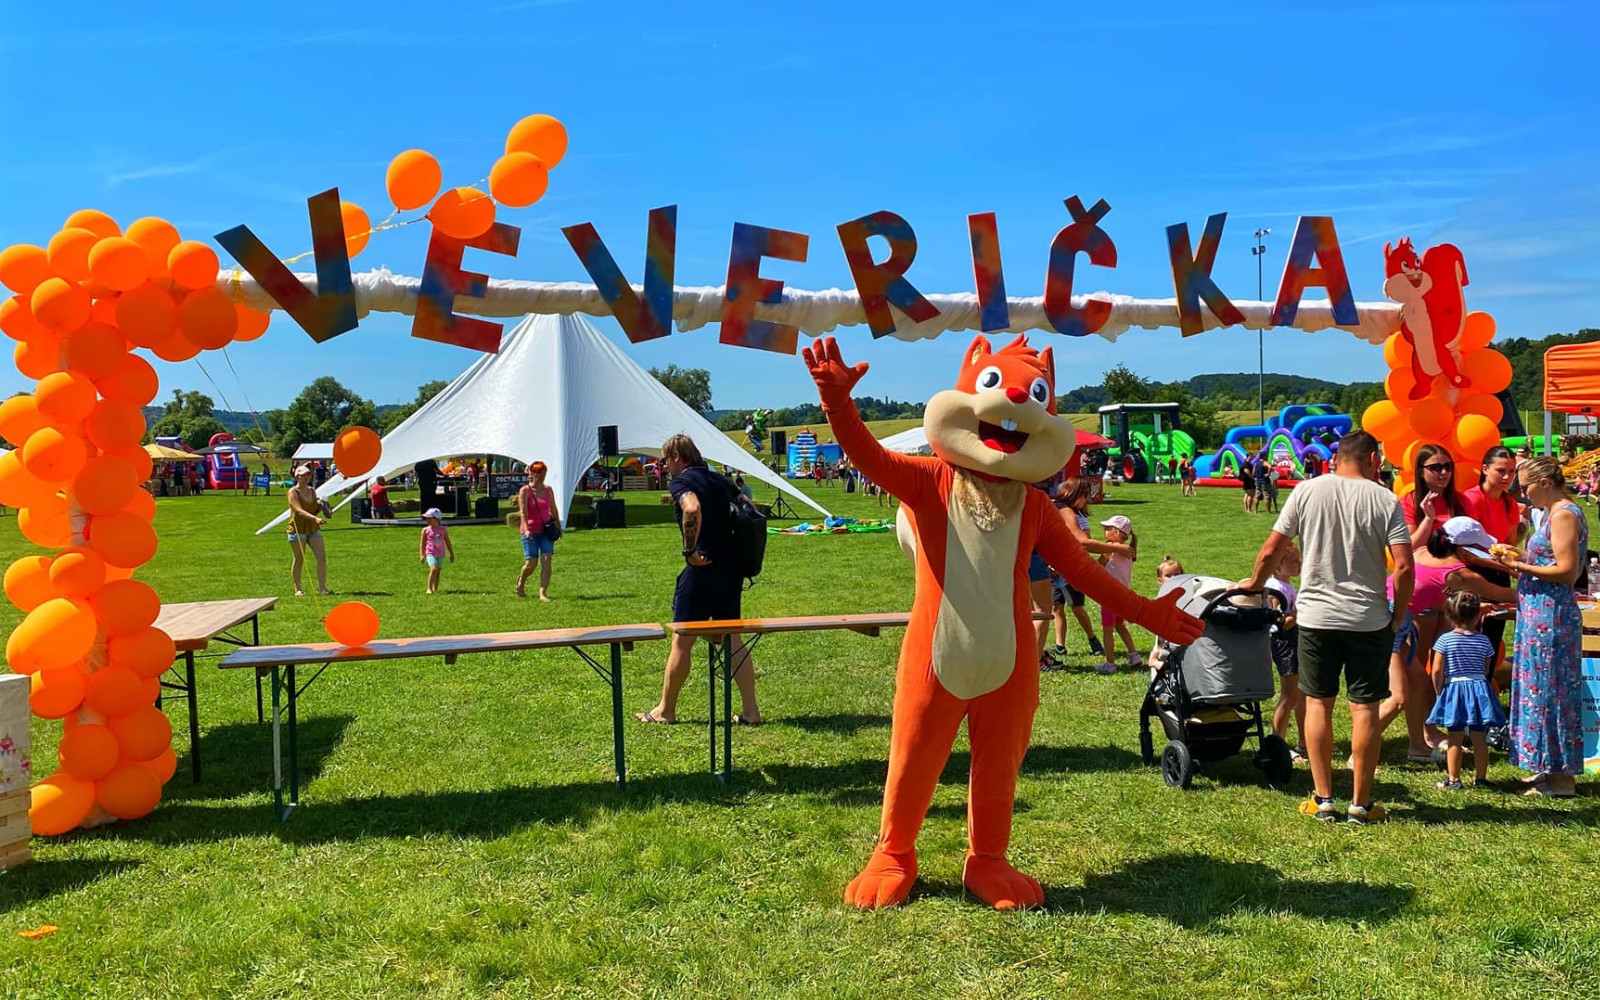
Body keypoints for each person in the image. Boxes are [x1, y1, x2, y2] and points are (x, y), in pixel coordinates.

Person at [1243, 430, 1413, 824]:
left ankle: (1323, 800)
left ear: (1337, 458)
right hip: (1368, 620)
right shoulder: (1385, 498)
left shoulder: (1306, 491)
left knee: (1318, 703)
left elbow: (1272, 549)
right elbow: (1403, 566)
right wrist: (1398, 614)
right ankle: (1362, 804)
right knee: (1364, 708)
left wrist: (1253, 584)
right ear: (1373, 459)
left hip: (1316, 618)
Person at [637, 434, 760, 726]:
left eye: (666, 460)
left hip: (701, 570)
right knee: (733, 640)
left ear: (678, 457)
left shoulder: (682, 482)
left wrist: (690, 550)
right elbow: (750, 509)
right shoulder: (721, 480)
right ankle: (751, 712)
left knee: (682, 640)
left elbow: (691, 508)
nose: (665, 466)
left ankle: (665, 711)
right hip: (731, 572)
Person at [1502, 456, 1587, 798]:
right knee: (1540, 690)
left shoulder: (1564, 514)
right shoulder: (1550, 514)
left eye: (1526, 487)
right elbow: (1547, 560)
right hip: (1538, 612)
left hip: (1552, 615)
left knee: (1552, 693)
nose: (1523, 494)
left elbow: (1567, 571)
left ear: (1546, 483)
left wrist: (1523, 565)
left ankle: (1561, 778)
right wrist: (1518, 559)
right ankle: (1545, 766)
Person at [1425, 591, 1506, 790]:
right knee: (1479, 736)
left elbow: (1436, 669)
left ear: (1449, 615)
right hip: (1479, 689)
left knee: (1455, 737)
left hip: (1455, 689)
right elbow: (1487, 668)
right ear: (1477, 616)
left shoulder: (1445, 640)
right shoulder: (1484, 641)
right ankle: (1481, 779)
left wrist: (1438, 691)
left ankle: (1454, 780)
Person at [1461, 445, 1523, 665]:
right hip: (1474, 574)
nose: (1507, 477)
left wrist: (1517, 565)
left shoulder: (1510, 504)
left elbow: (1511, 545)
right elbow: (1465, 551)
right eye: (1501, 471)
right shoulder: (1472, 499)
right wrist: (1508, 567)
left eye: (1512, 471)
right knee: (1471, 636)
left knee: (1492, 639)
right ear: (1485, 469)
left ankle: (1486, 686)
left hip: (1500, 573)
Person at [1043, 479, 1107, 666]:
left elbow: (1084, 541)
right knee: (1057, 607)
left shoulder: (1079, 517)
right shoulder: (1056, 510)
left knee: (1077, 607)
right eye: (1084, 495)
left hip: (1070, 569)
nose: (1086, 500)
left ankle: (1093, 639)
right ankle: (1060, 645)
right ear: (1074, 493)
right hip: (1053, 569)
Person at [1267, 543, 1305, 761]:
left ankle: (1303, 740)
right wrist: (1301, 611)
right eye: (1292, 562)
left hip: (1294, 641)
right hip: (1284, 643)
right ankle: (1278, 744)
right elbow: (1280, 623)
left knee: (1299, 695)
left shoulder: (1287, 585)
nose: (1298, 566)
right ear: (1277, 567)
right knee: (1289, 696)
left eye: (1298, 561)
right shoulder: (1276, 589)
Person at [1094, 514, 1140, 675]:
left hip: (1109, 596)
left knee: (1107, 629)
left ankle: (1110, 663)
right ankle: (1134, 655)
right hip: (1123, 595)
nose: (1104, 531)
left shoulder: (1110, 548)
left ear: (1117, 532)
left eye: (1107, 528)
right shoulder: (1130, 551)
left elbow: (1097, 566)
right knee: (1119, 625)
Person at [1402, 443, 1466, 548]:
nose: (1444, 472)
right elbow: (1410, 547)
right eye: (1436, 468)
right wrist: (1428, 519)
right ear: (1421, 472)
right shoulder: (1409, 501)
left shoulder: (1461, 500)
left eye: (1448, 466)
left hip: (1459, 561)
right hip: (1424, 561)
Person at [286, 464, 333, 597]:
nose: (307, 477)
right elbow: (299, 510)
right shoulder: (293, 492)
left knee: (321, 558)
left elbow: (313, 508)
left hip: (312, 528)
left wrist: (323, 507)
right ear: (297, 477)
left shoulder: (312, 490)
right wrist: (315, 519)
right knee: (299, 559)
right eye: (304, 475)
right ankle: (298, 589)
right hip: (297, 529)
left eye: (309, 475)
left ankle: (323, 588)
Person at [515, 461, 559, 601]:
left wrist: (558, 525)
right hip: (530, 531)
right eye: (539, 473)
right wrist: (526, 530)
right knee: (531, 564)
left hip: (546, 530)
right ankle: (522, 579)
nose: (542, 476)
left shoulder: (548, 490)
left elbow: (553, 509)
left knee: (547, 559)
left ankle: (543, 593)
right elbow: (523, 513)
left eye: (544, 473)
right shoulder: (525, 491)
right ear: (532, 474)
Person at [419, 507, 454, 594]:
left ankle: (435, 589)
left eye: (430, 518)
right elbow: (422, 543)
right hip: (430, 553)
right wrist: (422, 555)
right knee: (433, 569)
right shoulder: (425, 530)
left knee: (437, 572)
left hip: (441, 554)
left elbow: (447, 542)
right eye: (427, 518)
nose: (427, 520)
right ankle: (429, 588)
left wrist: (451, 554)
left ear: (437, 519)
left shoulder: (443, 530)